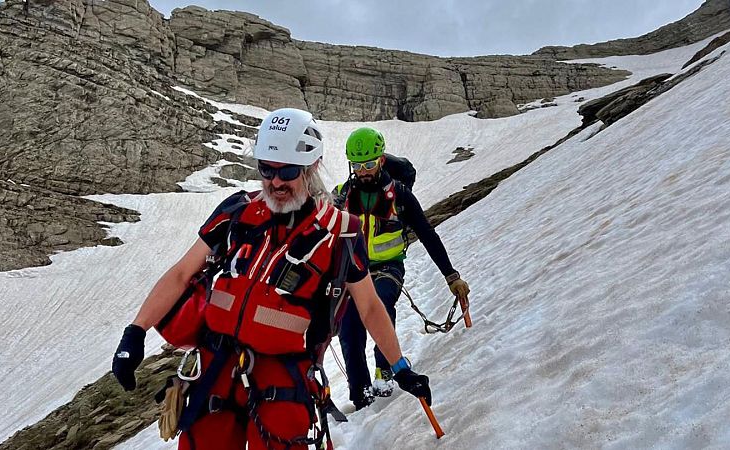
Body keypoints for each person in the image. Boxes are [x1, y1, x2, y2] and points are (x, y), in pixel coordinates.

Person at [111, 109, 431, 450]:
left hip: (284, 378)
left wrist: (399, 367)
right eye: (267, 169)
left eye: (288, 171)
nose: (276, 182)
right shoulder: (237, 211)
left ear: (311, 167)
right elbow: (182, 273)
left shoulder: (341, 233)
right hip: (214, 370)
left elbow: (369, 306)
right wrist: (135, 332)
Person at [333, 127, 470, 410]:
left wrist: (451, 276)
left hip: (388, 267)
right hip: (352, 272)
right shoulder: (342, 195)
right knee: (349, 328)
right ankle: (360, 395)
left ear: (381, 160)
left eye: (369, 164)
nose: (363, 172)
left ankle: (384, 370)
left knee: (381, 303)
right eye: (357, 166)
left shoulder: (400, 195)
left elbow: (427, 234)